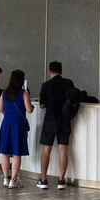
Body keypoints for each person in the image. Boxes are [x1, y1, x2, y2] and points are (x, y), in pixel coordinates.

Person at [37, 61, 75, 190]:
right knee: (63, 149)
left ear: (50, 71)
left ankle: (43, 179)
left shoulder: (46, 85)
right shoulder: (68, 83)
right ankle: (61, 180)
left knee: (46, 150)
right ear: (61, 70)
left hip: (50, 120)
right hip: (64, 120)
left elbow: (42, 105)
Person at [0, 70, 34, 189]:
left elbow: (0, 109)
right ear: (22, 80)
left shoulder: (4, 93)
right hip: (18, 125)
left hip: (6, 124)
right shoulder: (24, 93)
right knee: (17, 153)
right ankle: (14, 180)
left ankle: (6, 179)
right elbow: (29, 110)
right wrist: (31, 106)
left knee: (5, 152)